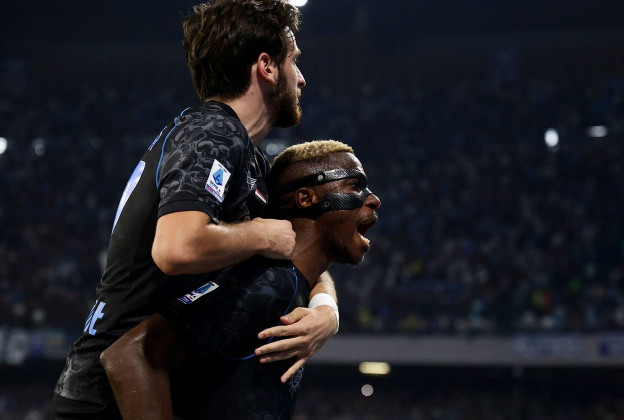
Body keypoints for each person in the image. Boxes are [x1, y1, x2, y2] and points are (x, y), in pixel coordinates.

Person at [52, 1, 339, 418]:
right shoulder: (212, 130)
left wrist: (326, 311)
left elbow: (300, 250)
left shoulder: (250, 158)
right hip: (111, 394)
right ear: (266, 67)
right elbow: (177, 248)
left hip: (150, 385)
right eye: (294, 61)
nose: (302, 77)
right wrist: (261, 233)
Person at [100, 140, 381, 419]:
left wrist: (328, 309)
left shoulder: (291, 283)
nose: (373, 199)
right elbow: (128, 355)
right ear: (306, 198)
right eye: (355, 186)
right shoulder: (268, 282)